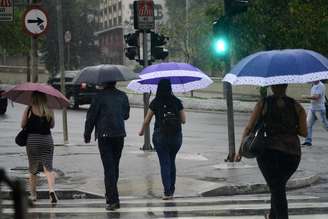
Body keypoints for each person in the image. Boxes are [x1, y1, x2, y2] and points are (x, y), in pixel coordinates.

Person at [235, 84, 307, 219]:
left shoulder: (263, 103)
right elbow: (304, 132)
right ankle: (272, 216)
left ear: (272, 86)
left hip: (268, 153)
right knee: (277, 187)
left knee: (276, 187)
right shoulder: (297, 106)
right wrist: (289, 128)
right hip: (292, 154)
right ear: (286, 85)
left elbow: (249, 128)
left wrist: (240, 151)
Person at [84, 81, 130, 211]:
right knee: (114, 167)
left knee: (109, 168)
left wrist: (87, 134)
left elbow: (91, 116)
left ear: (103, 83)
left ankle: (112, 199)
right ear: (115, 82)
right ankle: (111, 193)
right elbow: (126, 115)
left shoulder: (99, 97)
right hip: (119, 134)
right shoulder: (122, 95)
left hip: (104, 136)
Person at [139, 79, 186, 200]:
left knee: (165, 162)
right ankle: (171, 189)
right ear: (170, 88)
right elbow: (183, 120)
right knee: (171, 161)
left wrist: (141, 131)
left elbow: (147, 120)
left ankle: (167, 192)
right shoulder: (176, 101)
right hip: (176, 137)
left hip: (161, 136)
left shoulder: (156, 102)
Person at [21, 91, 57, 203]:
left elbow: (22, 125)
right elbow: (52, 125)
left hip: (33, 140)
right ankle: (51, 191)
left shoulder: (29, 109)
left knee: (33, 169)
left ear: (33, 98)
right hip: (47, 140)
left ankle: (33, 195)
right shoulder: (49, 109)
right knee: (48, 168)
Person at [301, 80, 328, 146]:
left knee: (325, 126)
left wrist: (306, 96)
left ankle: (308, 141)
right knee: (308, 125)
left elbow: (316, 97)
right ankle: (308, 141)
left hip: (319, 110)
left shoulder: (321, 86)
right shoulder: (313, 85)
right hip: (312, 109)